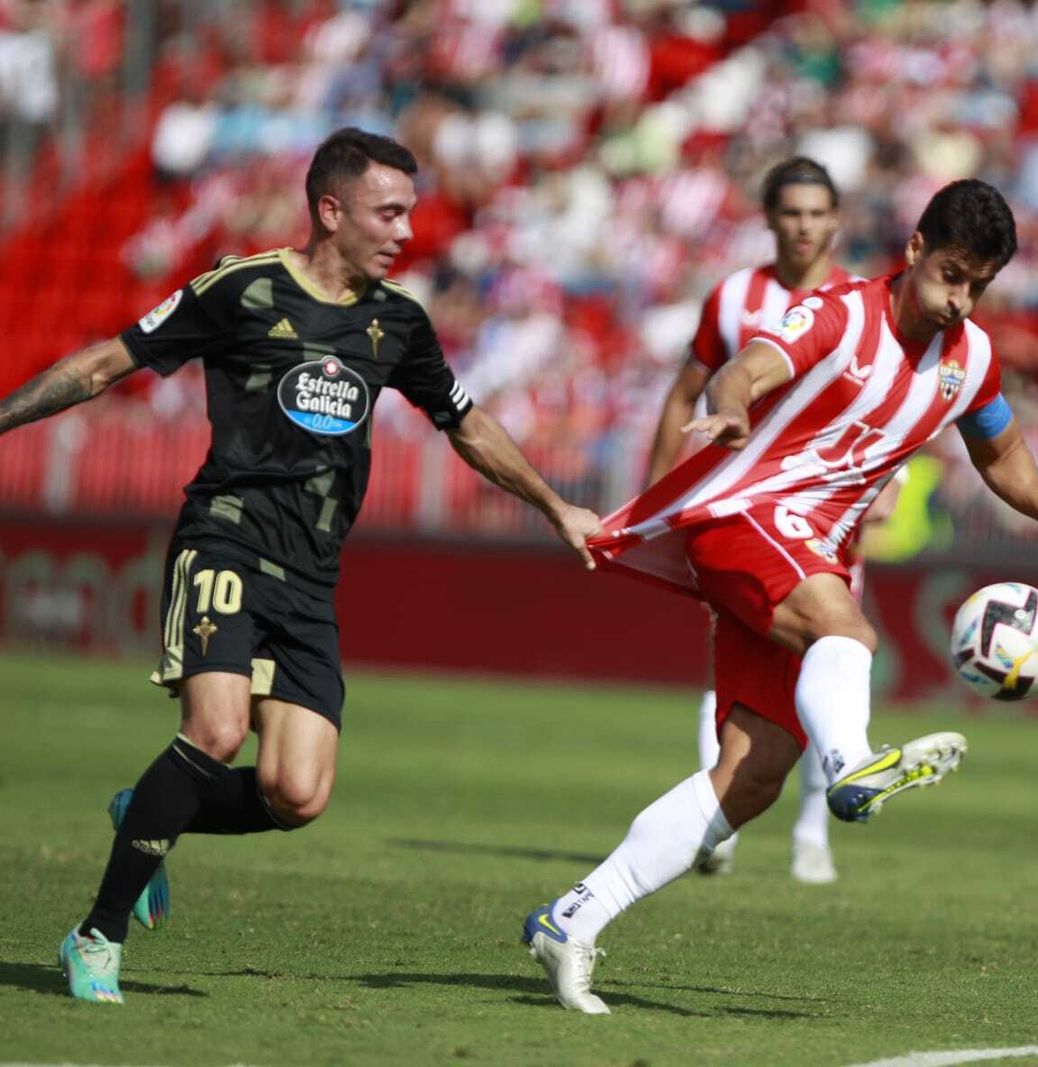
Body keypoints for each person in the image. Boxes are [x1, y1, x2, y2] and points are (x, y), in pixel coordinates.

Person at [0, 127, 602, 1004]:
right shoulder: (240, 289)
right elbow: (105, 364)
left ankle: (152, 808)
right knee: (214, 730)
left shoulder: (398, 323)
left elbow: (465, 423)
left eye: (409, 213)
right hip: (226, 538)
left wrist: (555, 509)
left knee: (297, 792)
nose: (405, 230)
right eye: (387, 212)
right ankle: (98, 934)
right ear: (331, 210)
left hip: (312, 573)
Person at [520, 179, 1038, 1013]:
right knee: (845, 628)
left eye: (980, 286)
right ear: (916, 249)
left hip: (811, 548)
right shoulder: (839, 313)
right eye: (952, 275)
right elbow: (740, 372)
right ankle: (852, 764)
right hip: (745, 514)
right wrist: (735, 410)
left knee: (752, 775)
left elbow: (999, 453)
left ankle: (573, 917)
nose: (960, 300)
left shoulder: (970, 360)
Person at [644, 156, 863, 885]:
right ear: (770, 217)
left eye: (816, 212)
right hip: (742, 509)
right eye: (791, 211)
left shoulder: (860, 302)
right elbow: (685, 394)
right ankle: (723, 816)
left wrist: (886, 485)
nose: (803, 225)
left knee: (825, 660)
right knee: (735, 653)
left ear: (836, 219)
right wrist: (656, 495)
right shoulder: (734, 297)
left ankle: (811, 832)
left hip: (832, 513)